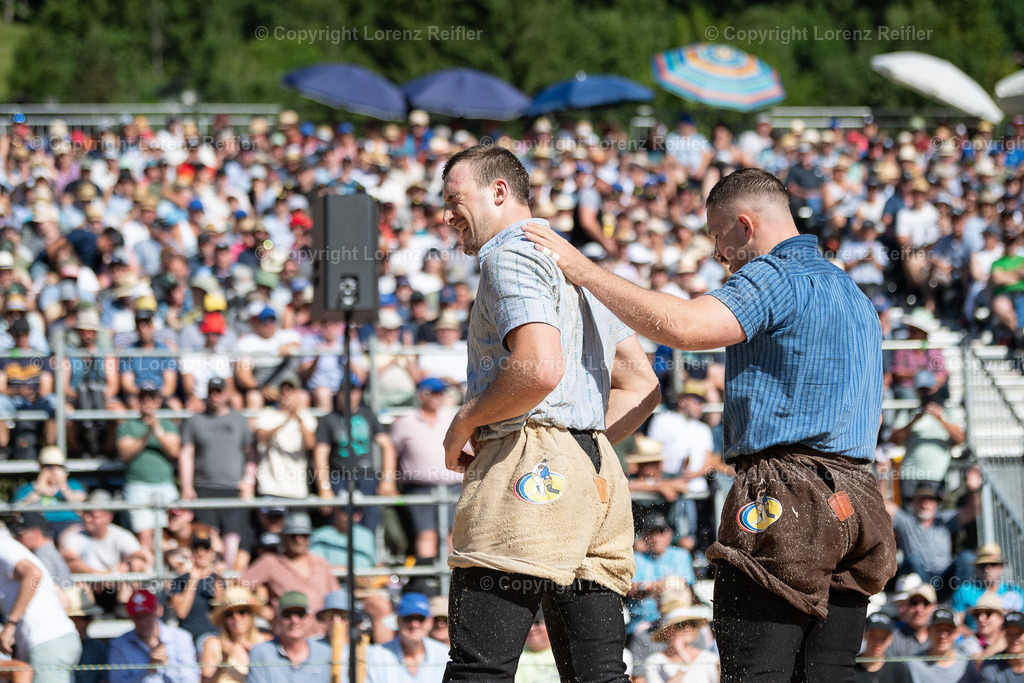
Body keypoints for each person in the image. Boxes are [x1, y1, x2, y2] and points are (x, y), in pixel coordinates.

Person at [524, 167, 898, 681]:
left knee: (754, 673)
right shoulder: (853, 293)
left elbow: (684, 326)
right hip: (860, 500)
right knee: (827, 673)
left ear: (744, 225)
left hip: (787, 492)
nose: (718, 255)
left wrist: (584, 270)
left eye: (718, 236)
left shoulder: (775, 275)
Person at [439, 145, 661, 682]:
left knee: (479, 669)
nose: (447, 214)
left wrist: (465, 421)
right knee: (598, 675)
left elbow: (539, 367)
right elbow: (644, 386)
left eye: (454, 199)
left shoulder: (509, 253)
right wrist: (574, 444)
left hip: (529, 463)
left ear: (499, 192)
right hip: (597, 471)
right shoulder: (576, 262)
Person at [179, 377, 256, 569]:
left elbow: (250, 453)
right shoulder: (195, 421)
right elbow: (186, 454)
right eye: (212, 391)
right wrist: (186, 486)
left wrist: (249, 481)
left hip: (233, 488)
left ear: (226, 393)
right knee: (208, 539)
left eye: (219, 391)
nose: (215, 396)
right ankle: (212, 583)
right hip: (204, 488)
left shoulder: (240, 420)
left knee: (232, 540)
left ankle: (229, 583)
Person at [386, 377, 462, 567]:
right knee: (425, 534)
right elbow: (391, 453)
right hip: (418, 488)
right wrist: (389, 482)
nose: (439, 397)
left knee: (452, 537)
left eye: (441, 393)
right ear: (422, 395)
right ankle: (428, 581)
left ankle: (450, 581)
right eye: (434, 392)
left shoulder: (453, 418)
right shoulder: (406, 422)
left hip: (453, 486)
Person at [885, 472, 982, 602]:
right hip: (919, 580)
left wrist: (974, 490)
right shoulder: (906, 522)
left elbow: (973, 511)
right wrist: (884, 475)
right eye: (921, 500)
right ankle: (924, 601)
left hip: (945, 578)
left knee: (967, 557)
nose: (925, 504)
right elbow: (883, 504)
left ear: (936, 503)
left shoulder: (945, 520)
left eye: (930, 500)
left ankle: (960, 601)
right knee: (912, 560)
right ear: (913, 502)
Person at [0, 530, 82, 683]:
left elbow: (33, 574)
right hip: (55, 640)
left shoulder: (2, 546)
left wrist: (11, 625)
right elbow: (64, 600)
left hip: (47, 643)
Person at [115, 380, 182, 555]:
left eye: (152, 398)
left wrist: (157, 429)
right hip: (138, 485)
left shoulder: (168, 425)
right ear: (138, 400)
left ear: (158, 401)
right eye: (144, 398)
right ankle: (148, 577)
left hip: (164, 484)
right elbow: (125, 453)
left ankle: (168, 578)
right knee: (145, 535)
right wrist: (147, 434)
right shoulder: (127, 426)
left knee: (169, 534)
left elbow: (174, 451)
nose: (148, 402)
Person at [240, 511, 339, 621]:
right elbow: (239, 586)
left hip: (320, 632)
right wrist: (260, 609)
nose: (299, 539)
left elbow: (336, 596)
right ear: (283, 536)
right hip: (286, 633)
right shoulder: (271, 562)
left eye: (304, 535)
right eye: (293, 535)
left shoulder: (321, 563)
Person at [107, 589, 199, 683]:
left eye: (147, 615)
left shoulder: (181, 637)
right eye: (137, 617)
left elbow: (192, 680)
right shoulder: (120, 645)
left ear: (158, 610)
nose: (143, 622)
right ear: (130, 617)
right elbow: (117, 680)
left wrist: (168, 665)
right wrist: (149, 670)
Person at [246, 591, 332, 683]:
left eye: (300, 613)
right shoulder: (261, 653)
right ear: (278, 617)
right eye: (287, 614)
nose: (294, 620)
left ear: (309, 617)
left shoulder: (325, 653)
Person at [365, 593, 449, 683]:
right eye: (408, 618)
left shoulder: (444, 655)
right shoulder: (375, 655)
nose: (414, 624)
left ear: (430, 622)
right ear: (398, 620)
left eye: (420, 618)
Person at [199, 586, 269, 683]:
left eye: (242, 612)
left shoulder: (265, 641)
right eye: (229, 614)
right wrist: (223, 663)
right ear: (223, 619)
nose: (236, 618)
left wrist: (255, 654)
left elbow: (274, 677)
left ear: (251, 615)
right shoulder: (213, 644)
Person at [639, 605, 719, 683]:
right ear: (667, 631)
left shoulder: (709, 658)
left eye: (692, 623)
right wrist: (684, 664)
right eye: (681, 624)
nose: (688, 628)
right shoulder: (654, 662)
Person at [953, 544, 1024, 628]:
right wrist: (979, 638)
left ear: (1001, 567)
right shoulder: (964, 591)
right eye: (983, 565)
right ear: (976, 568)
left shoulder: (1015, 592)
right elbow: (956, 625)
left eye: (993, 564)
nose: (987, 569)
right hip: (974, 639)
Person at [904, 608, 982, 683]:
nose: (943, 635)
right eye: (937, 630)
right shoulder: (913, 664)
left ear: (957, 633)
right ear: (928, 631)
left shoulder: (967, 664)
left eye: (948, 630)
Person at [7, 512, 73, 590]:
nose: (17, 537)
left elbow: (46, 586)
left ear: (35, 532)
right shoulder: (46, 551)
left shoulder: (43, 554)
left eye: (20, 533)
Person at [854, 612, 913, 683]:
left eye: (883, 637)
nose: (877, 643)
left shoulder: (898, 669)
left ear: (890, 639)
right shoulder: (851, 667)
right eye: (873, 636)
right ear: (864, 635)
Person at [514, 611, 559, 683]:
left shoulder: (565, 652)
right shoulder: (514, 655)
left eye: (537, 622)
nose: (531, 628)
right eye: (526, 623)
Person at [979, 610, 1024, 682]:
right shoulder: (991, 666)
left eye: (1019, 633)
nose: (1014, 639)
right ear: (1003, 635)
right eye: (1009, 633)